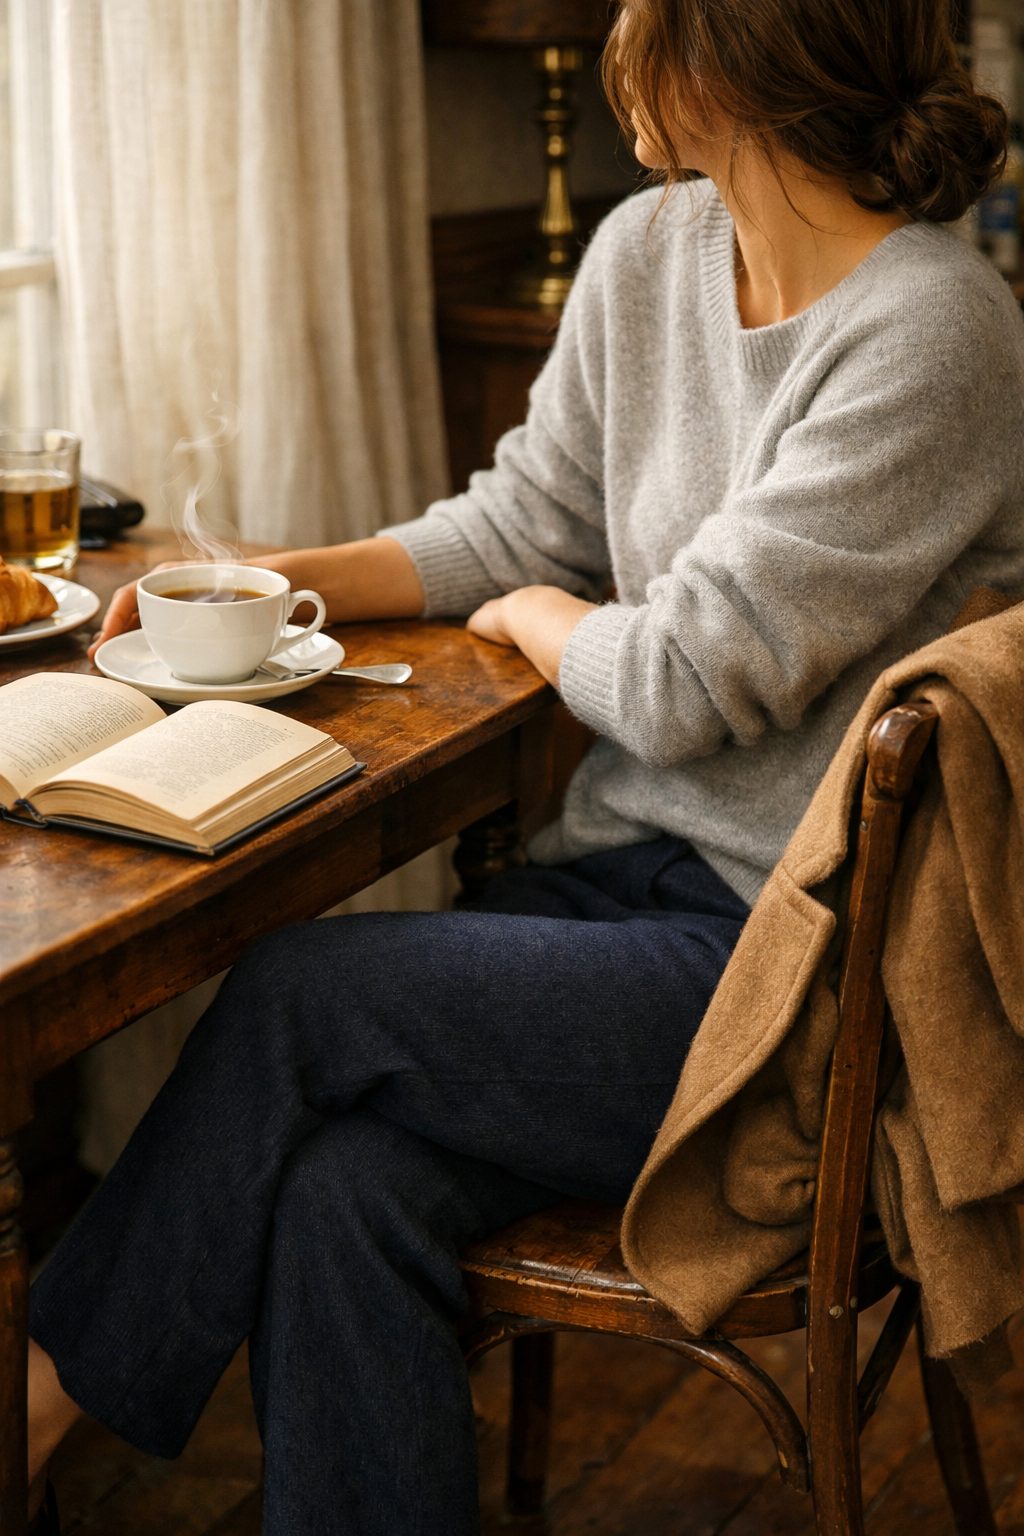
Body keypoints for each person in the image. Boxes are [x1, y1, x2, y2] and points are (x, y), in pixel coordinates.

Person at [26, 1, 1024, 1532]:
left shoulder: (937, 330)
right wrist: (274, 582)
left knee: (305, 990)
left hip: (798, 978)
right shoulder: (647, 253)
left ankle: (34, 1410)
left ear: (728, 55)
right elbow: (514, 526)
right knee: (342, 1194)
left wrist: (551, 620)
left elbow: (689, 676)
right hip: (617, 901)